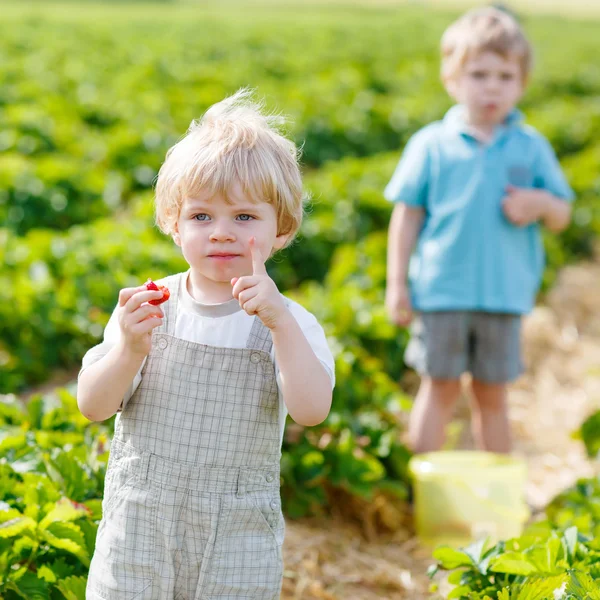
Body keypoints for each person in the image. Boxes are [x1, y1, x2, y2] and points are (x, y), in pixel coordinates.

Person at [77, 89, 335, 600]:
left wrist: (280, 324)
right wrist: (128, 350)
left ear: (280, 229)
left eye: (244, 217)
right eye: (201, 217)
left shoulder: (291, 323)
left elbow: (312, 410)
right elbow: (92, 405)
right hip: (141, 524)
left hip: (235, 532)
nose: (221, 233)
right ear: (173, 224)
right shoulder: (147, 307)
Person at [384, 7, 574, 455]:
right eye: (478, 73)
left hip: (504, 293)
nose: (492, 86)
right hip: (441, 290)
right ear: (452, 79)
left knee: (492, 395)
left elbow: (562, 214)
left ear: (522, 83)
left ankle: (495, 496)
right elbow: (406, 215)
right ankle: (423, 490)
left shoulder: (531, 146)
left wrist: (541, 204)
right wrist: (397, 284)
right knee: (440, 387)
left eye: (505, 76)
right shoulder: (431, 144)